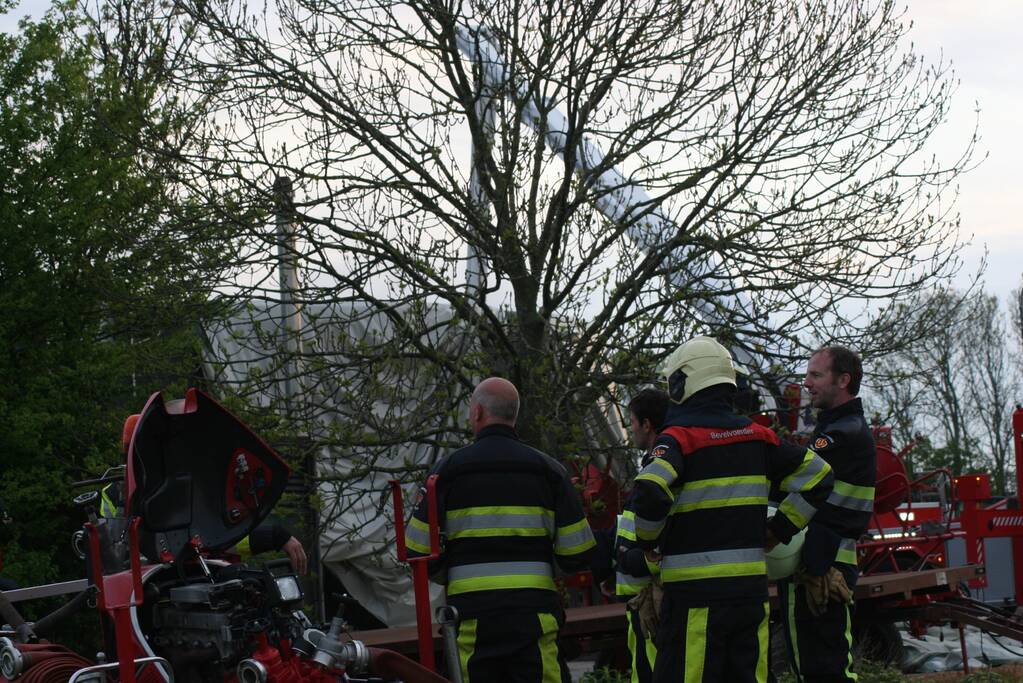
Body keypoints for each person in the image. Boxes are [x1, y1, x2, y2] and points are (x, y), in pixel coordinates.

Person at [630, 336, 835, 683]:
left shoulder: (678, 438)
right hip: (750, 596)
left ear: (684, 381)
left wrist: (647, 540)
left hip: (694, 600)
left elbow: (650, 488)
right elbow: (819, 476)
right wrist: (779, 530)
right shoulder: (758, 436)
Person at [404, 377, 596, 683]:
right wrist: (545, 568)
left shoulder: (447, 472)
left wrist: (451, 573)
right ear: (514, 415)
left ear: (478, 412)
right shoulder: (549, 471)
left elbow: (416, 548)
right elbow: (578, 552)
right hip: (534, 617)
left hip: (472, 619)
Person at [777, 346, 876, 683]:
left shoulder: (841, 434)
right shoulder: (841, 428)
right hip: (822, 561)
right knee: (815, 667)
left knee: (824, 670)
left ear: (843, 380)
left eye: (815, 375)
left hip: (823, 565)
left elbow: (797, 487)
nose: (806, 383)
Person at [614, 388, 669, 683]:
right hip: (640, 598)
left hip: (651, 597)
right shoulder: (655, 466)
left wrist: (641, 561)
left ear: (647, 424)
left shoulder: (661, 470)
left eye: (632, 421)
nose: (629, 428)